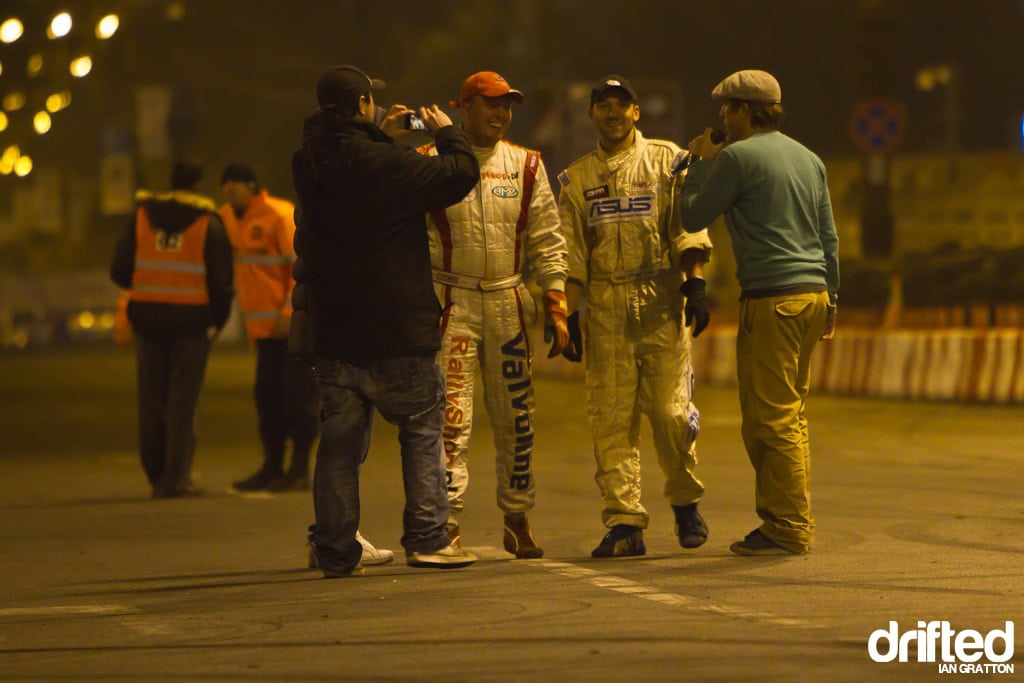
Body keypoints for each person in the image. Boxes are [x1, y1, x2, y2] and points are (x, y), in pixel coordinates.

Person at [291, 64, 480, 576]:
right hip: (397, 327)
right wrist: (447, 132)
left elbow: (340, 154)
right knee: (421, 430)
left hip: (335, 331)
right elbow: (460, 173)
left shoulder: (308, 163)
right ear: (360, 106)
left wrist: (378, 134)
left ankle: (335, 549)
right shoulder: (389, 164)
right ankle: (428, 537)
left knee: (339, 445)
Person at [679, 70, 839, 556]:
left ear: (745, 111)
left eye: (727, 107)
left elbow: (693, 215)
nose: (722, 116)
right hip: (812, 296)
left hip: (773, 299)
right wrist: (832, 299)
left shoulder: (736, 158)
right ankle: (783, 519)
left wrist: (702, 163)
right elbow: (828, 237)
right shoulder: (809, 158)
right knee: (788, 415)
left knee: (771, 420)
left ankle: (788, 527)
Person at [557, 75, 713, 558]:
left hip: (661, 297)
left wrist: (696, 283)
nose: (613, 113)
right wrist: (567, 315)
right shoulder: (577, 180)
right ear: (592, 114)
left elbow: (687, 224)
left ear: (636, 112)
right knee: (611, 418)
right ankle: (625, 522)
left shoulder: (668, 161)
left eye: (621, 105)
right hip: (606, 307)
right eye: (604, 105)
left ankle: (685, 501)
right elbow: (570, 254)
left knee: (670, 413)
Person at [418, 71, 569, 559]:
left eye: (507, 105)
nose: (502, 113)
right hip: (452, 301)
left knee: (517, 418)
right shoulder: (429, 161)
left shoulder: (527, 164)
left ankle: (517, 517)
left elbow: (548, 237)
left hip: (507, 302)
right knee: (450, 421)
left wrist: (556, 303)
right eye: (491, 104)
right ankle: (447, 522)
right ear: (464, 109)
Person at [110, 161, 234, 498]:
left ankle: (154, 472)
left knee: (151, 397)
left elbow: (120, 269)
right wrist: (217, 320)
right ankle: (176, 477)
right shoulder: (209, 223)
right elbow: (221, 282)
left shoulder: (142, 216)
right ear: (198, 184)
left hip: (147, 318)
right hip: (192, 322)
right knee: (183, 401)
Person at [217, 163, 320, 493]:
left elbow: (301, 268)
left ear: (252, 186)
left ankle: (299, 468)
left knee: (299, 398)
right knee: (268, 399)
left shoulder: (279, 215)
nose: (229, 190)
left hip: (291, 326)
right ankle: (272, 466)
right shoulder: (226, 218)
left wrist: (289, 311)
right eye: (226, 184)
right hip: (262, 331)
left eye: (236, 184)